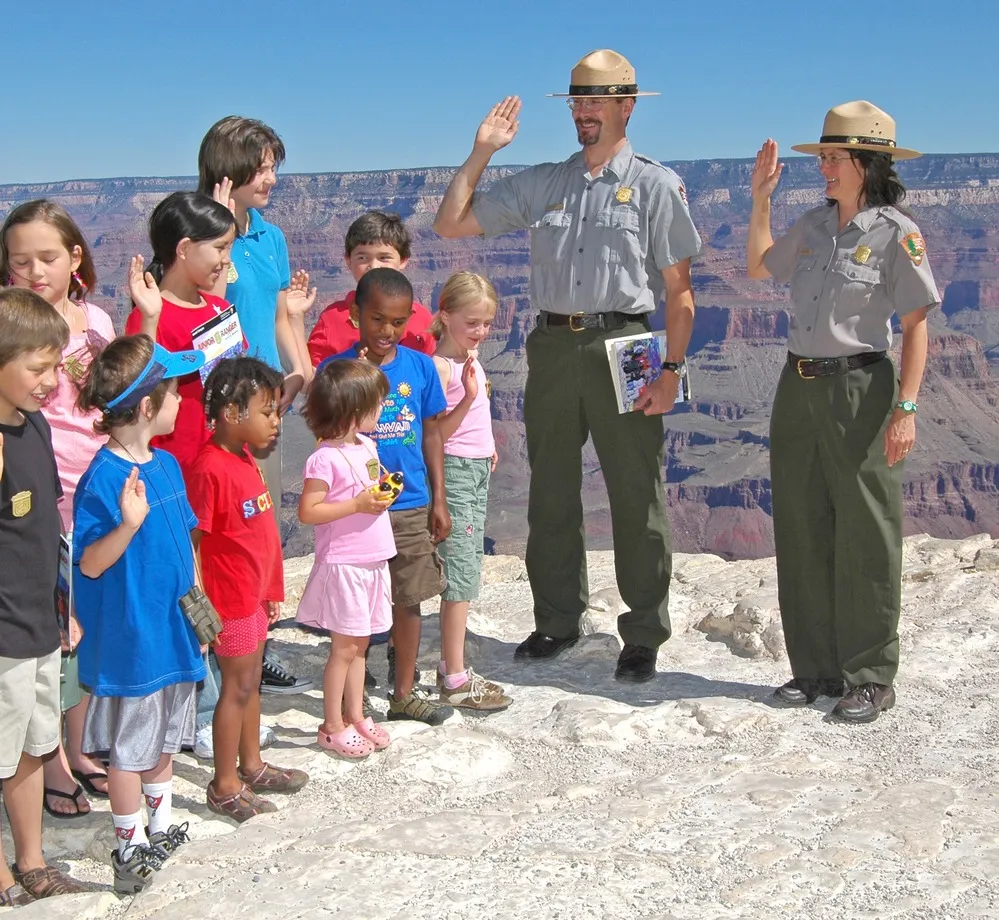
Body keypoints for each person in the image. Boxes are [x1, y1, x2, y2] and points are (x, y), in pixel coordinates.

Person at [434, 49, 702, 682]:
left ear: (626, 107)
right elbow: (451, 223)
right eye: (578, 101)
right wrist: (482, 152)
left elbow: (680, 293)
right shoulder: (547, 182)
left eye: (597, 101)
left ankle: (641, 634)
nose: (584, 111)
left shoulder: (657, 186)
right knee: (550, 491)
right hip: (553, 345)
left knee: (636, 494)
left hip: (629, 342)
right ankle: (557, 620)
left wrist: (672, 371)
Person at [747, 101, 939, 723]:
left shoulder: (895, 234)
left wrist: (906, 407)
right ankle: (817, 669)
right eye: (824, 157)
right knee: (802, 527)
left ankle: (871, 675)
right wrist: (760, 201)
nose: (824, 167)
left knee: (865, 532)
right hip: (796, 387)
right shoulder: (813, 225)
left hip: (861, 389)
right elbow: (756, 267)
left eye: (834, 158)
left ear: (866, 163)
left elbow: (915, 327)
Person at [125, 191, 312, 698]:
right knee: (186, 582)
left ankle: (228, 686)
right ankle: (198, 703)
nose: (228, 262)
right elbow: (135, 390)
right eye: (221, 249)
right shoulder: (154, 312)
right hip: (181, 473)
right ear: (185, 249)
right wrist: (145, 317)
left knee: (226, 581)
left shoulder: (217, 307)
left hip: (231, 467)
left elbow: (238, 380)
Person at [73, 334, 207, 893]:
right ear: (148, 407)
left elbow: (185, 541)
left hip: (173, 628)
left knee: (165, 737)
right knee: (129, 751)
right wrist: (127, 523)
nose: (181, 401)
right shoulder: (102, 480)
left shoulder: (168, 464)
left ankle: (159, 827)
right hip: (133, 637)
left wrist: (200, 604)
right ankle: (128, 852)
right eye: (173, 392)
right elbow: (91, 564)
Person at [1, 200, 114, 817]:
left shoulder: (93, 318)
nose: (34, 271)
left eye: (47, 257)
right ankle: (52, 768)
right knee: (54, 638)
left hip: (95, 485)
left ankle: (77, 745)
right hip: (44, 494)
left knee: (83, 628)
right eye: (20, 261)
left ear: (75, 257)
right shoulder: (10, 326)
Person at [318, 268, 454, 724]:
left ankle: (403, 693)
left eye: (398, 322)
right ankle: (345, 698)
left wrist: (439, 499)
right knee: (354, 606)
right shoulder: (337, 371)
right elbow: (323, 435)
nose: (387, 331)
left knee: (408, 599)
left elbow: (432, 432)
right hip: (354, 509)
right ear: (356, 314)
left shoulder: (418, 367)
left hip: (410, 501)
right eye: (377, 319)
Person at [187, 357, 308, 821]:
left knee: (250, 683)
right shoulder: (211, 468)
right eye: (268, 412)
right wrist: (202, 611)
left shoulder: (242, 461)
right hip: (229, 603)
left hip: (253, 598)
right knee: (234, 690)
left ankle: (251, 764)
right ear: (233, 415)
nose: (278, 422)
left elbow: (256, 535)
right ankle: (224, 784)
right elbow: (194, 542)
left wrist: (271, 590)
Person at [0, 288, 86, 905]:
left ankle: (31, 859)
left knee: (33, 745)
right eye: (37, 368)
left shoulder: (31, 427)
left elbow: (49, 532)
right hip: (2, 633)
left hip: (37, 622)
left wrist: (66, 607)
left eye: (54, 366)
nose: (51, 380)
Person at [197, 115, 315, 495]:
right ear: (229, 170)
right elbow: (207, 310)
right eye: (262, 169)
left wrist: (295, 373)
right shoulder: (197, 235)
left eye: (272, 168)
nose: (272, 179)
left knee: (264, 510)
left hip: (266, 400)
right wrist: (219, 234)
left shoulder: (271, 237)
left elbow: (279, 316)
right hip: (219, 404)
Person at [296, 359, 395, 757]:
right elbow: (308, 511)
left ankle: (355, 715)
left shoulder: (366, 445)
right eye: (377, 404)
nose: (382, 410)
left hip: (373, 558)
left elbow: (371, 483)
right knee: (342, 649)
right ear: (354, 411)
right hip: (345, 563)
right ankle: (331, 724)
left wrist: (384, 491)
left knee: (361, 645)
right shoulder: (323, 458)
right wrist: (356, 504)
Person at [430, 272, 510, 711]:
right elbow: (435, 434)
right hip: (456, 473)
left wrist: (491, 446)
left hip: (476, 468)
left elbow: (480, 414)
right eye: (472, 322)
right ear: (445, 316)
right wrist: (466, 397)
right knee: (460, 574)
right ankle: (454, 676)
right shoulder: (442, 367)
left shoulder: (471, 358)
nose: (481, 331)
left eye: (486, 323)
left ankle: (453, 668)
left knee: (468, 567)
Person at [307, 211, 436, 367]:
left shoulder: (422, 319)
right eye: (362, 258)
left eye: (384, 258)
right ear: (348, 261)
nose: (374, 266)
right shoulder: (331, 320)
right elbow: (316, 378)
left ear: (403, 260)